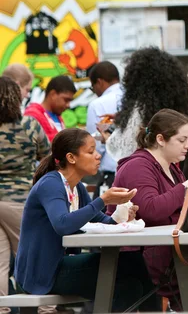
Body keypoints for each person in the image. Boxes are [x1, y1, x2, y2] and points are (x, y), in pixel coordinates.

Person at [15, 128, 160, 312]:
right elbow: (63, 224)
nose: (98, 156)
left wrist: (123, 216)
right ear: (71, 158)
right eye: (91, 152)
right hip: (42, 272)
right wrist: (102, 200)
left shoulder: (77, 188)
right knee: (131, 263)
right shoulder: (50, 183)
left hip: (60, 266)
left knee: (131, 287)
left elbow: (101, 220)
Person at [110, 109, 188, 308]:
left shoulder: (171, 166)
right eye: (182, 140)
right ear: (161, 139)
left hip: (169, 252)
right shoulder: (138, 166)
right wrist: (185, 187)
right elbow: (150, 209)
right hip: (142, 257)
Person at [0, 77, 49, 308]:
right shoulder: (30, 125)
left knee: (0, 264)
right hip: (21, 201)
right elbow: (47, 157)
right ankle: (45, 308)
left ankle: (2, 307)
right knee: (33, 256)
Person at [105, 47, 188, 161]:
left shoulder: (141, 109)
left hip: (140, 170)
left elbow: (122, 148)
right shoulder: (178, 108)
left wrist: (106, 136)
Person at [86, 61, 123, 198]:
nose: (94, 91)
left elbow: (94, 146)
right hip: (138, 171)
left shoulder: (97, 105)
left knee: (102, 217)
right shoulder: (134, 99)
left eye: (92, 87)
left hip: (111, 175)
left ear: (99, 82)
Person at [24, 75, 76, 142]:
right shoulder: (32, 115)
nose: (68, 105)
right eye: (66, 100)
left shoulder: (58, 117)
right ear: (53, 94)